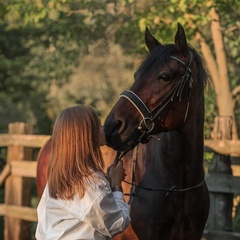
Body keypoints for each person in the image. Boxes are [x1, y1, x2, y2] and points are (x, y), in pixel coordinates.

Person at [35, 105, 130, 240]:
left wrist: (107, 182)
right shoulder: (90, 183)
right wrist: (116, 186)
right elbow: (117, 223)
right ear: (86, 136)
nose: (103, 129)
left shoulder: (58, 179)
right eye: (98, 125)